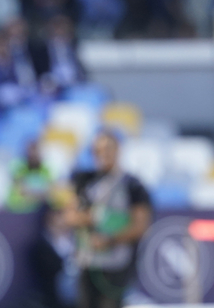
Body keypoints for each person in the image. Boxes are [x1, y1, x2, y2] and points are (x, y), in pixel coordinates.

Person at [65, 130, 152, 308]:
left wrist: (109, 239)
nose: (103, 155)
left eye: (108, 149)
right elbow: (70, 215)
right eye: (98, 150)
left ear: (118, 150)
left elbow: (140, 224)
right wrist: (93, 218)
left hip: (117, 264)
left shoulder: (132, 184)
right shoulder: (84, 180)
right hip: (87, 261)